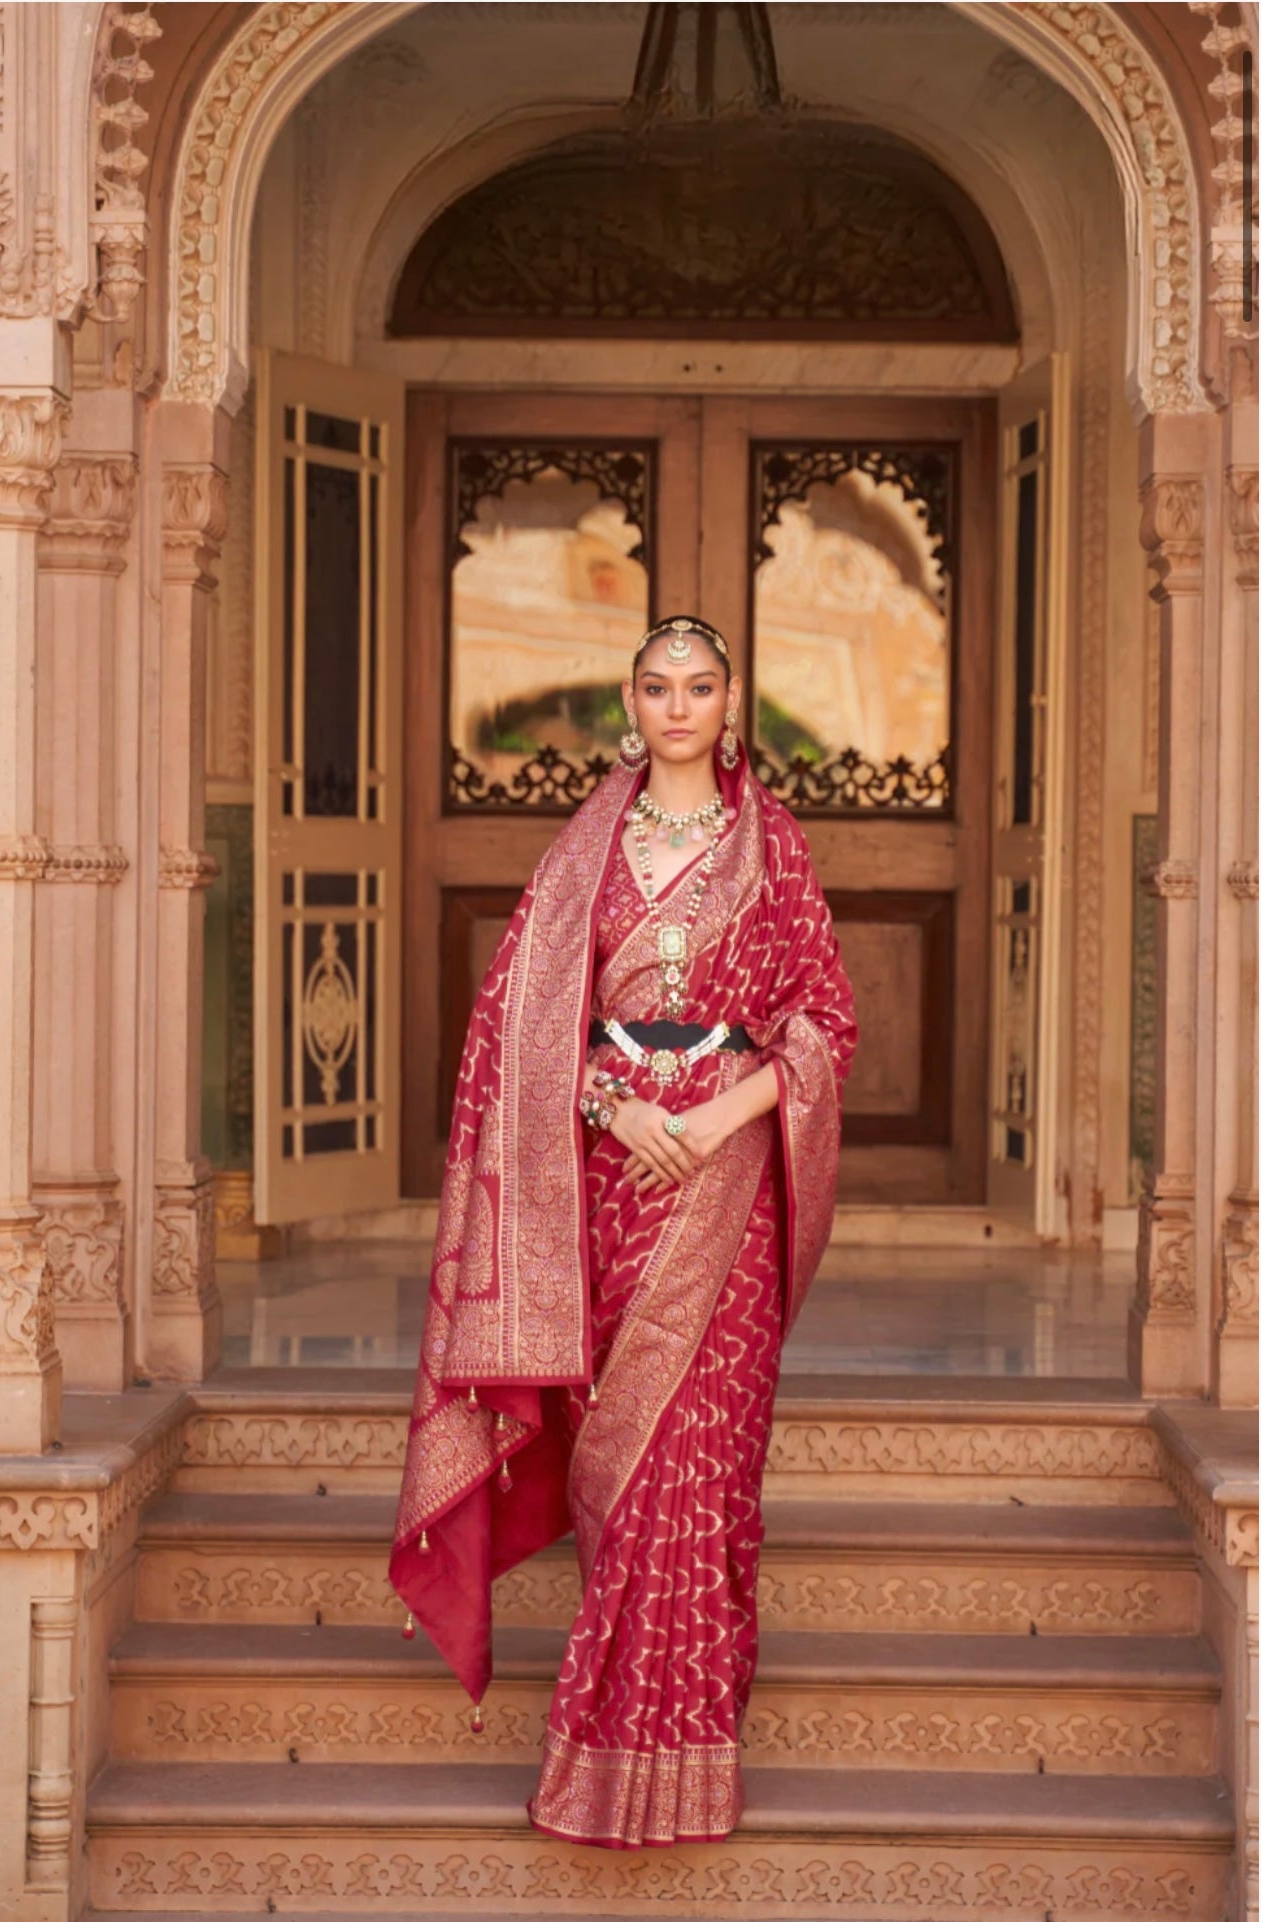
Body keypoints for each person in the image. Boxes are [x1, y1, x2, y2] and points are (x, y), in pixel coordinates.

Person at [389, 613, 859, 1849]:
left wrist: (713, 1123)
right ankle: (602, 1753)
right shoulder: (584, 850)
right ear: (630, 702)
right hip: (606, 1178)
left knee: (696, 1468)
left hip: (726, 1186)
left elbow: (824, 1026)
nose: (681, 706)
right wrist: (615, 1102)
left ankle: (688, 1748)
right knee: (619, 1461)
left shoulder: (774, 847)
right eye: (658, 687)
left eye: (701, 686)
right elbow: (521, 1032)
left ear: (732, 699)